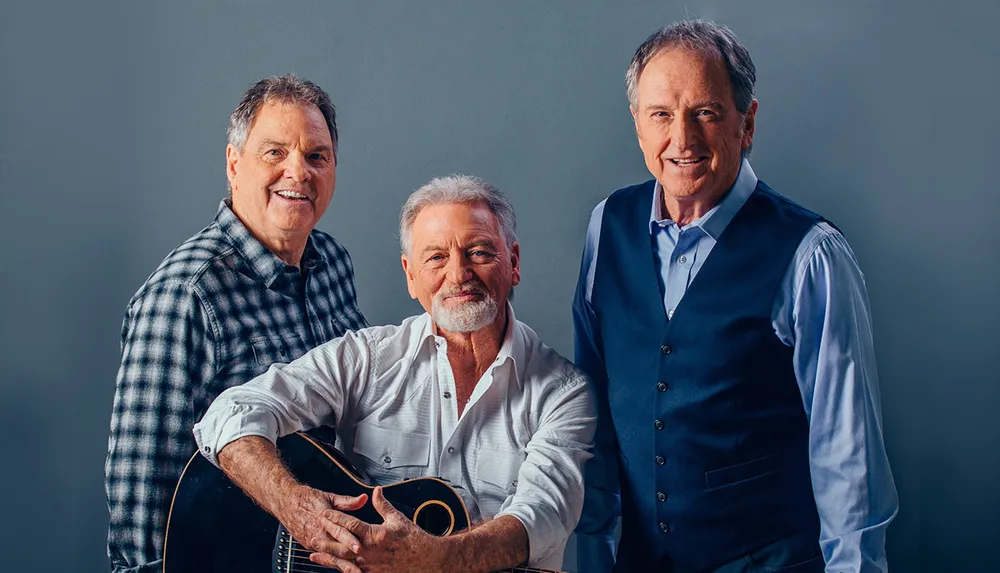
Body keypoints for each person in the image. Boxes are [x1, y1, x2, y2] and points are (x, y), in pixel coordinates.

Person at [573, 20, 898, 573]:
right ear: (638, 127)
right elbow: (594, 417)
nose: (682, 139)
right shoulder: (607, 227)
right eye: (661, 115)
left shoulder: (810, 254)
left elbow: (849, 456)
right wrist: (592, 557)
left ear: (746, 124)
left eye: (705, 112)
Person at [192, 175, 595, 573]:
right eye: (436, 257)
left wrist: (435, 561)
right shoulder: (369, 357)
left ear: (514, 263)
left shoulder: (563, 392)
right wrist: (295, 507)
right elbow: (232, 410)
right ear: (410, 276)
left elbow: (544, 514)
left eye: (478, 252)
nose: (458, 275)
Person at [104, 75, 367, 572]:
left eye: (317, 156)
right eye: (274, 153)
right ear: (233, 165)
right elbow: (140, 502)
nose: (299, 171)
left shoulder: (333, 263)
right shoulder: (185, 295)